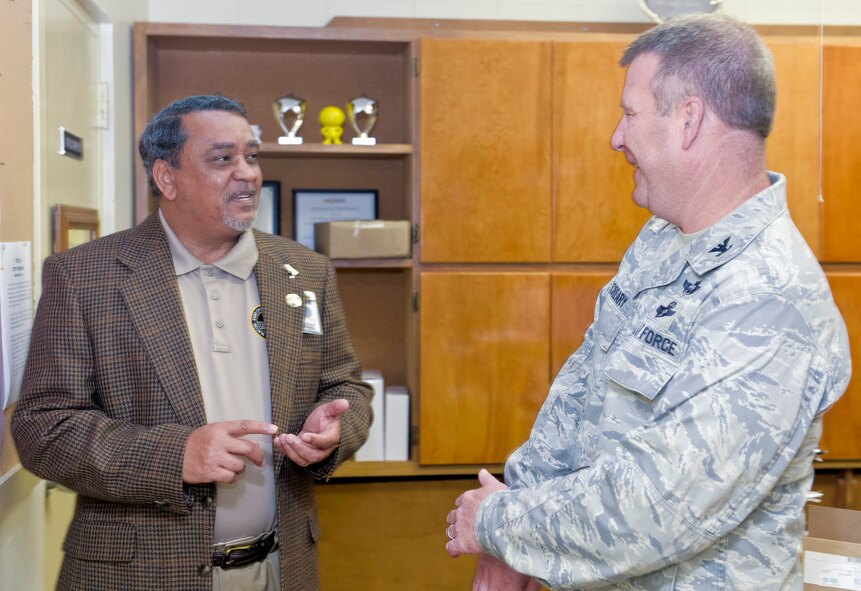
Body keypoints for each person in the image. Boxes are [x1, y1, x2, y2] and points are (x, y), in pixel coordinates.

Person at [444, 14, 851, 590]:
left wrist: (502, 524)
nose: (617, 137)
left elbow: (663, 505)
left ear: (688, 120)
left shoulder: (772, 298)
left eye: (630, 112)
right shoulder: (664, 240)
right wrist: (521, 524)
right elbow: (581, 392)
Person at [11, 94, 373, 591]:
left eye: (252, 155)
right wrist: (175, 455)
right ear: (166, 177)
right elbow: (43, 428)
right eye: (223, 158)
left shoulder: (303, 271)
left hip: (281, 568)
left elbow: (347, 386)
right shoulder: (84, 277)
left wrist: (334, 428)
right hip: (139, 576)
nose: (247, 173)